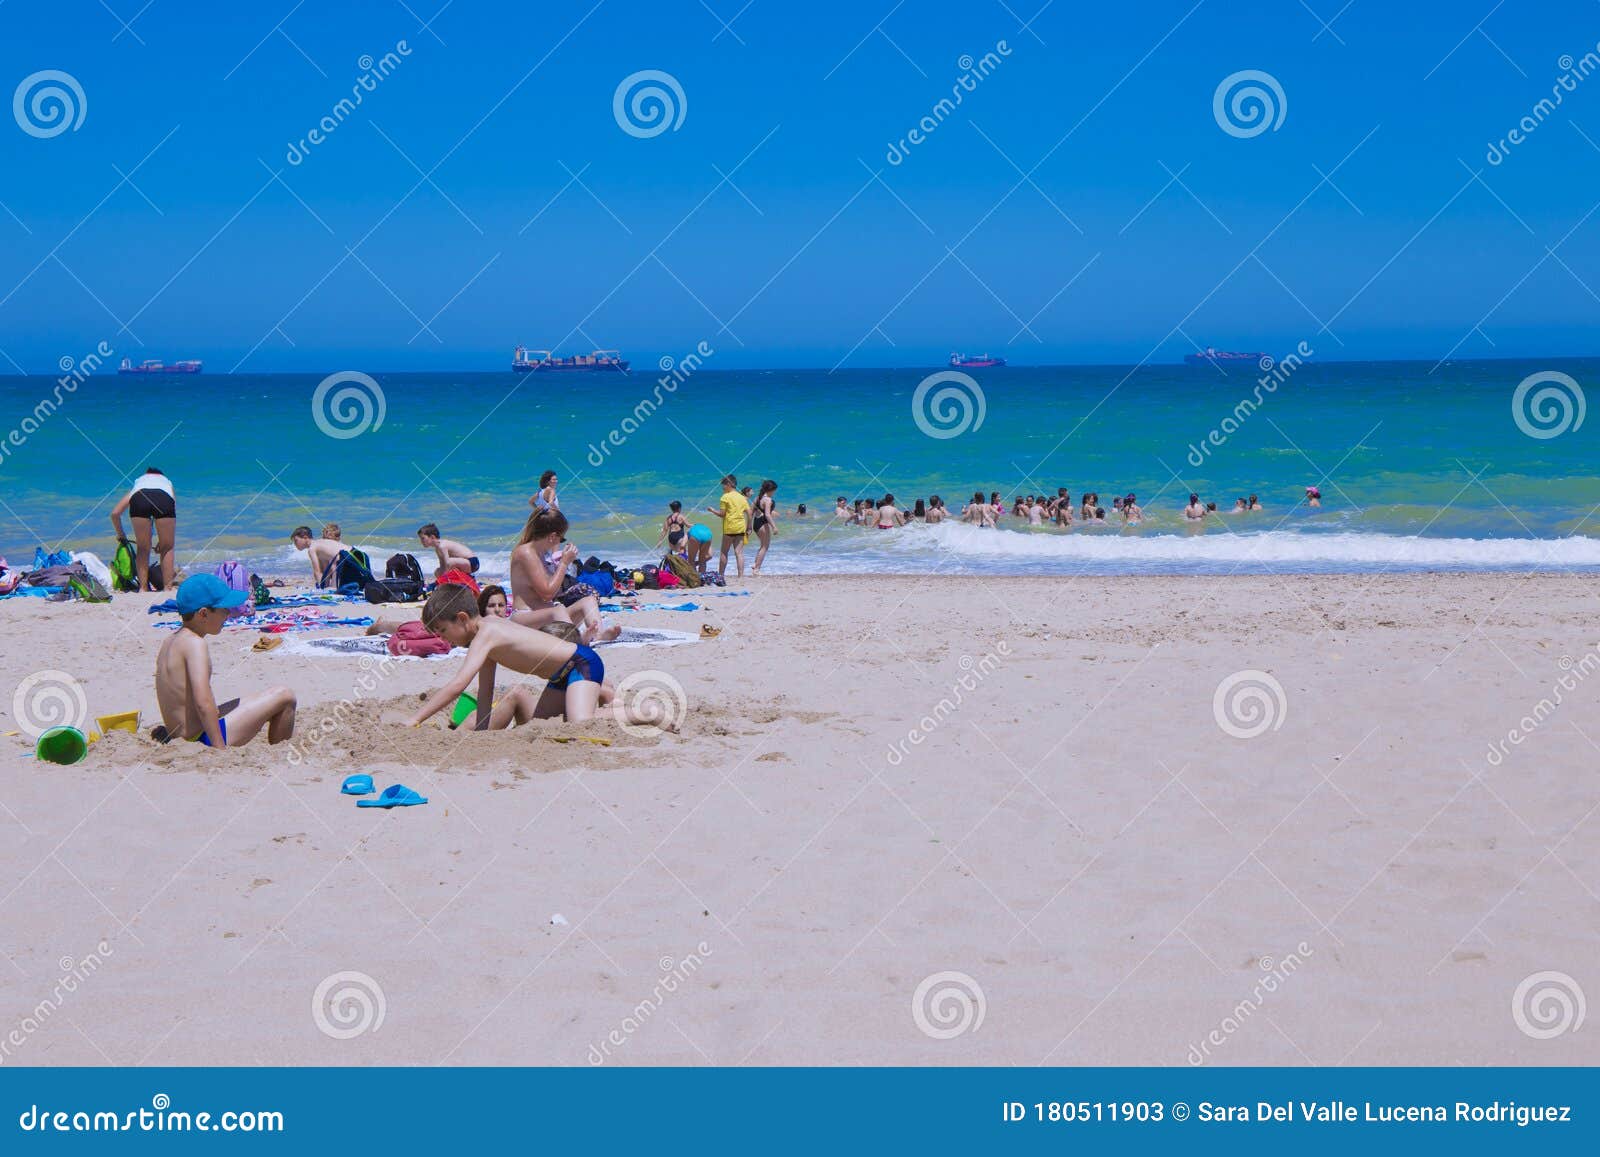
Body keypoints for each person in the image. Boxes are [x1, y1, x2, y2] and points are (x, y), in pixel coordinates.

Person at [407, 585, 676, 731]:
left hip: (581, 663)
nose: (444, 639)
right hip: (560, 675)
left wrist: (415, 720)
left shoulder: (487, 633)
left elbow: (458, 684)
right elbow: (485, 690)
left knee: (580, 724)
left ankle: (646, 712)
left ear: (462, 618)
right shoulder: (484, 637)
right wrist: (481, 732)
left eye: (443, 631)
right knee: (539, 724)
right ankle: (603, 700)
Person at [155, 574, 296, 747]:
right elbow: (203, 702)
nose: (228, 614)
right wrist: (218, 748)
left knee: (256, 698)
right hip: (200, 738)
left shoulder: (170, 641)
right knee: (285, 696)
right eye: (223, 609)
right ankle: (280, 754)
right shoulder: (195, 644)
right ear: (204, 614)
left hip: (181, 733)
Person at [509, 508, 619, 641]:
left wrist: (559, 565)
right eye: (561, 538)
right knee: (558, 610)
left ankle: (598, 635)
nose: (559, 542)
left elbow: (553, 592)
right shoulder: (526, 553)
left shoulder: (541, 554)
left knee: (588, 601)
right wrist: (564, 563)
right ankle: (578, 642)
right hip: (526, 617)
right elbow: (547, 594)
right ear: (552, 536)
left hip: (547, 615)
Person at [110, 467, 176, 592]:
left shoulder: (139, 484)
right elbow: (172, 504)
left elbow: (115, 514)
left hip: (139, 499)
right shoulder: (167, 483)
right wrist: (163, 543)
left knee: (143, 547)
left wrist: (121, 535)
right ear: (161, 475)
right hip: (164, 498)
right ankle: (167, 588)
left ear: (146, 475)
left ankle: (143, 588)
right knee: (167, 548)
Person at [705, 474, 749, 578]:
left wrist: (712, 510)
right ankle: (741, 576)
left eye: (723, 485)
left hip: (729, 527)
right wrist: (750, 527)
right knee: (739, 552)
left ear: (729, 484)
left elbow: (722, 514)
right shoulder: (742, 498)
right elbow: (749, 513)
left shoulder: (725, 497)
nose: (723, 488)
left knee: (724, 552)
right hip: (740, 527)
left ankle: (721, 575)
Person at [751, 479, 778, 574]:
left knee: (762, 545)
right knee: (765, 547)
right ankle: (757, 569)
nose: (774, 493)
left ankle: (755, 564)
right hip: (763, 523)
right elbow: (767, 514)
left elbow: (751, 512)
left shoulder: (757, 498)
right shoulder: (768, 500)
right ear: (771, 490)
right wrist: (774, 527)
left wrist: (749, 527)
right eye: (775, 491)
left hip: (756, 523)